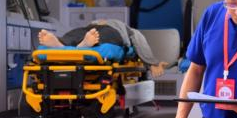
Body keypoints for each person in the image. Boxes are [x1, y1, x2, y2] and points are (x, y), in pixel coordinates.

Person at [37, 20, 171, 77]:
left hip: (87, 28)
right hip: (110, 32)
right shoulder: (127, 29)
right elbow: (140, 42)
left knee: (73, 36)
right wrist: (152, 63)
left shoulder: (95, 25)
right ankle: (84, 46)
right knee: (100, 38)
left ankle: (60, 44)